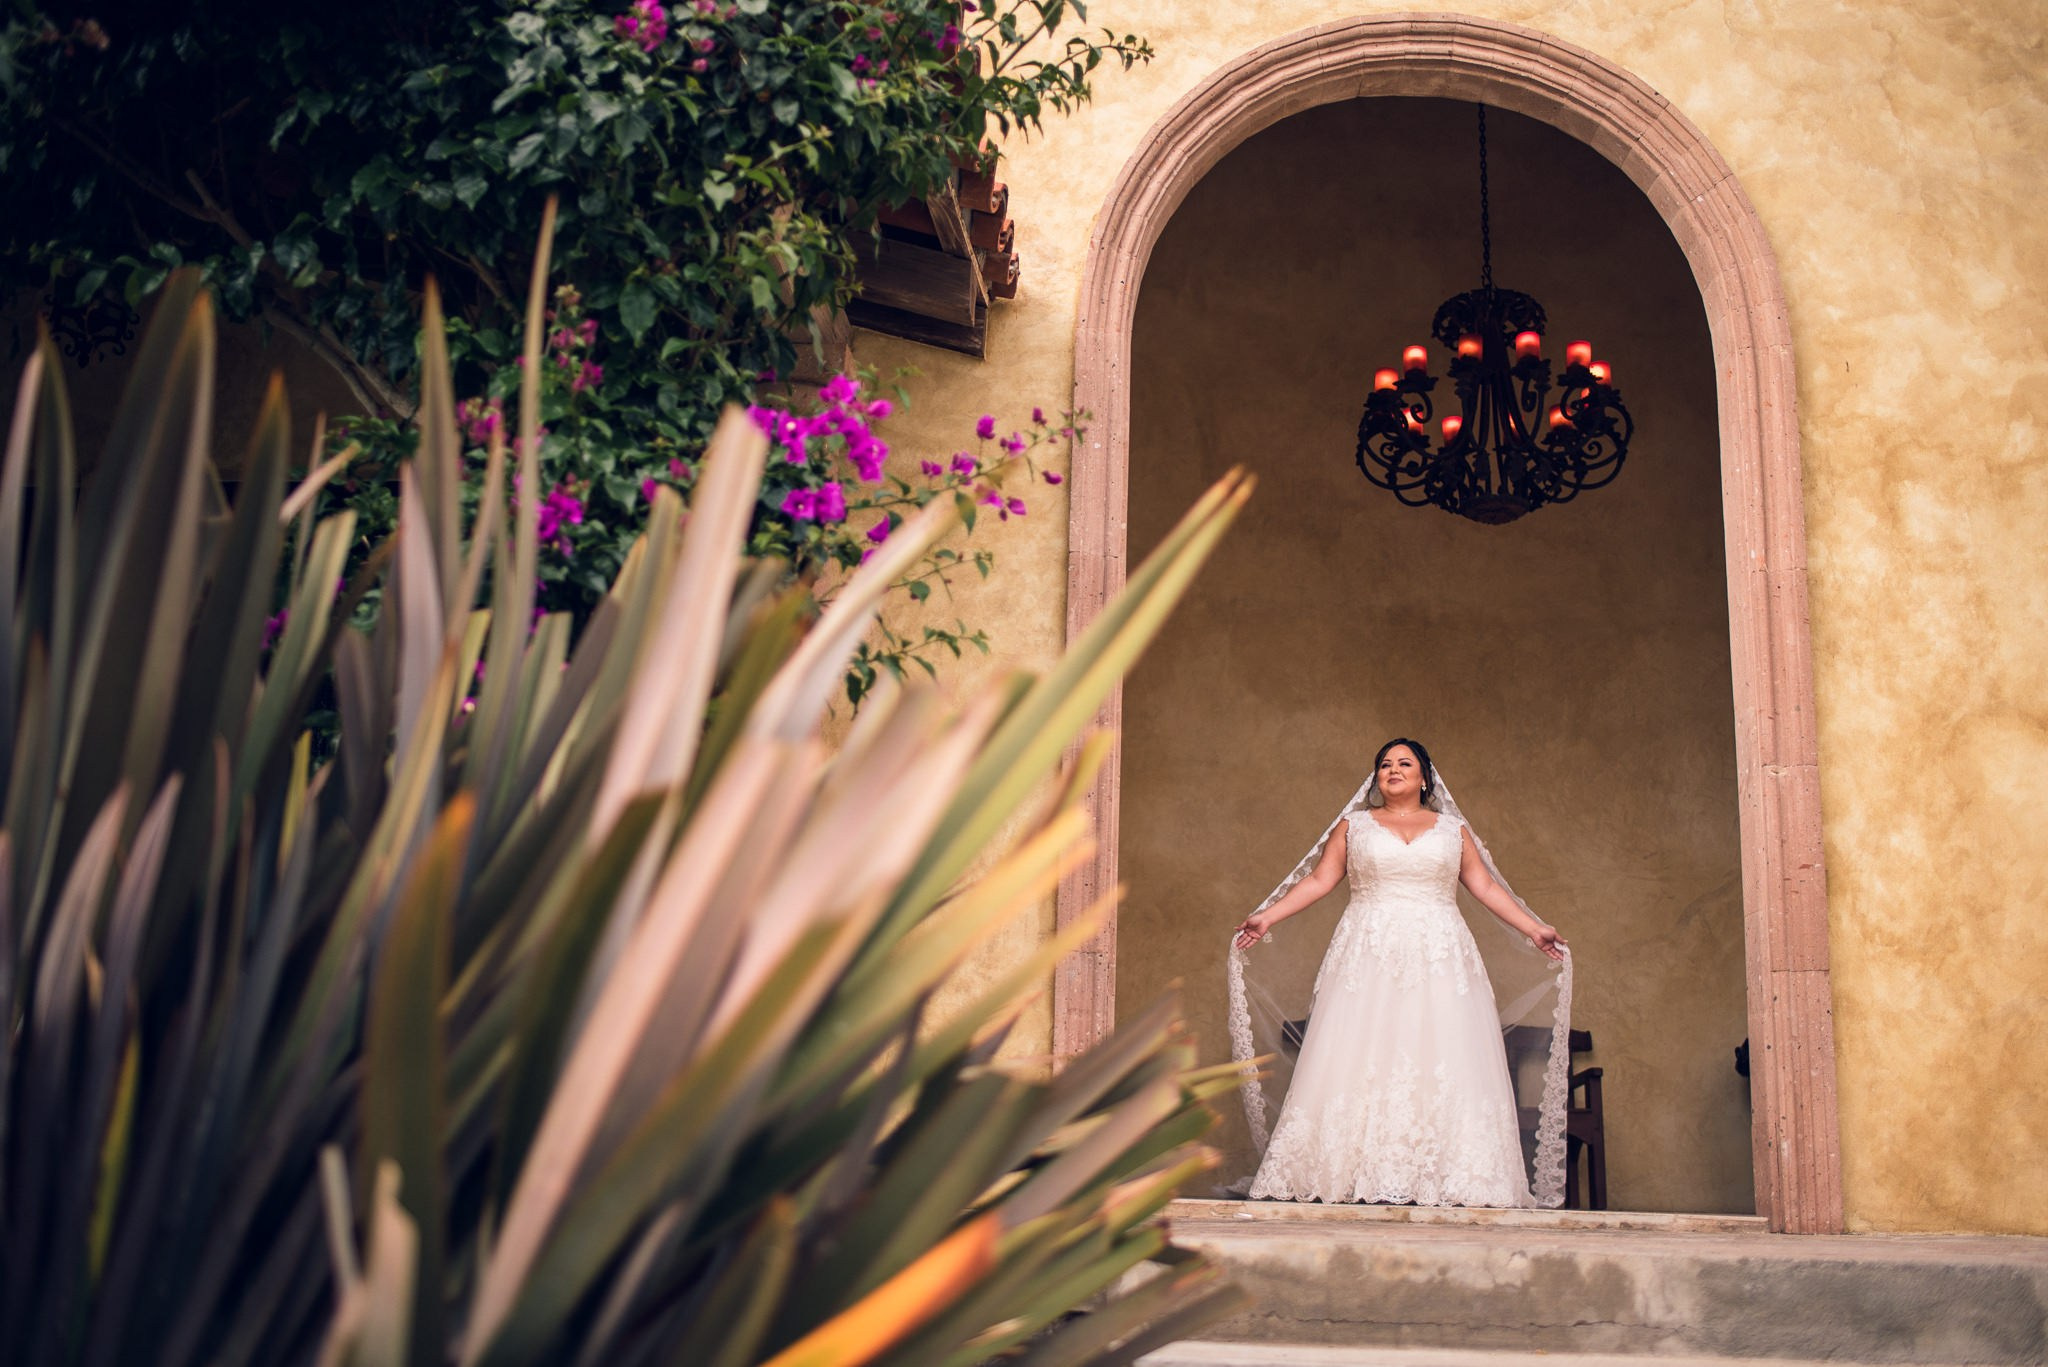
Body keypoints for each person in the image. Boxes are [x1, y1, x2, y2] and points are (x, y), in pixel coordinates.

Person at [1226, 738, 1573, 1207]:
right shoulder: (1354, 827)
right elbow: (1319, 881)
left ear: (1425, 777)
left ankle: (1447, 1175)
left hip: (1440, 954)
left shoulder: (1454, 831)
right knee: (1359, 1051)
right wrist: (1268, 916)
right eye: (1384, 764)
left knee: (1442, 1050)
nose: (1393, 769)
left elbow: (1485, 886)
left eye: (1404, 763)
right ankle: (1350, 1171)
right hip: (1367, 952)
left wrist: (1535, 929)